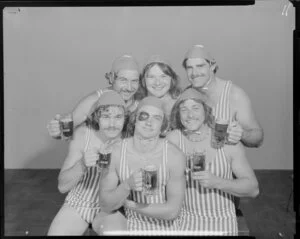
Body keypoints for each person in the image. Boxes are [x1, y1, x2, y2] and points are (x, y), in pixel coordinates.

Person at [167, 88, 259, 236]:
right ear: (178, 114)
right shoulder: (173, 140)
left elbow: (253, 189)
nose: (190, 115)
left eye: (195, 108)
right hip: (184, 221)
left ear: (206, 111)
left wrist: (217, 182)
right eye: (183, 109)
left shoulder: (226, 139)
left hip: (222, 223)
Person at [98, 96, 186, 235]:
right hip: (131, 226)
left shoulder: (174, 156)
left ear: (163, 126)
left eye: (156, 118)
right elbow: (105, 203)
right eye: (144, 116)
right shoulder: (115, 152)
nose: (149, 123)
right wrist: (126, 185)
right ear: (134, 119)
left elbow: (172, 211)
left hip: (167, 229)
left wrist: (130, 204)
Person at [47, 90, 127, 235]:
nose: (112, 124)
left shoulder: (130, 139)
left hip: (110, 208)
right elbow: (62, 186)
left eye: (118, 117)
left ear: (125, 119)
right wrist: (82, 164)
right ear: (96, 117)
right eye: (106, 116)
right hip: (79, 202)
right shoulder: (83, 135)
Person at [182, 44, 264, 148]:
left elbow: (258, 138)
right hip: (195, 162)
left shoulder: (234, 94)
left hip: (225, 163)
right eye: (189, 68)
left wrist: (241, 134)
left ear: (212, 66)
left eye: (200, 66)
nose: (194, 73)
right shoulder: (186, 94)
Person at [47, 54, 141, 139]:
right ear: (112, 78)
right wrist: (57, 130)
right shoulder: (95, 100)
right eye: (123, 80)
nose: (129, 88)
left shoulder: (141, 101)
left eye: (134, 81)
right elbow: (66, 128)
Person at [139, 55, 181, 125]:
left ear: (172, 79)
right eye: (151, 77)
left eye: (163, 76)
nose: (157, 82)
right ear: (143, 80)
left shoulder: (181, 106)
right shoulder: (138, 105)